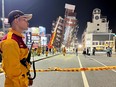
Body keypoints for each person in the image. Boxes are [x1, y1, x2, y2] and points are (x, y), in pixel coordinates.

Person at [0, 10, 33, 87]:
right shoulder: (10, 42)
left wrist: (28, 77)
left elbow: (22, 62)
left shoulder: (18, 38)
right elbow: (13, 72)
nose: (27, 22)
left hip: (21, 81)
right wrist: (24, 83)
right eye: (24, 19)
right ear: (16, 21)